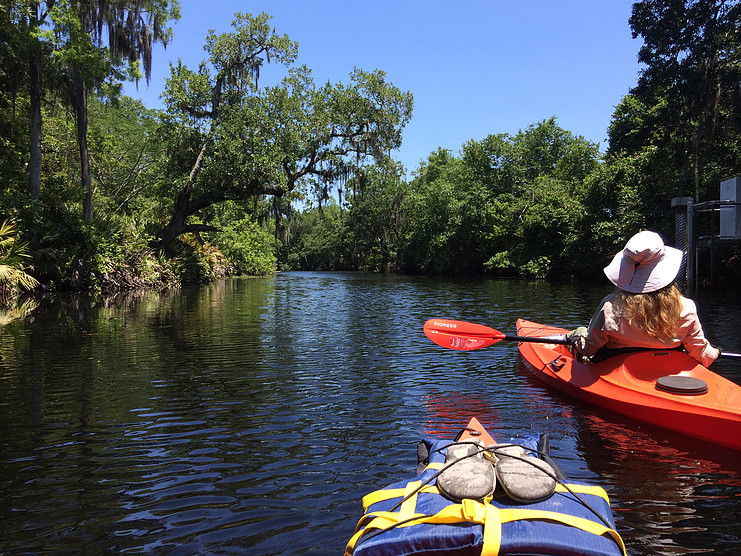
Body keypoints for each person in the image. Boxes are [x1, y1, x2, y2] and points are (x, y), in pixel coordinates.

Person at [567, 230, 720, 366]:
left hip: (615, 368)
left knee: (579, 331)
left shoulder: (611, 305)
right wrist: (715, 352)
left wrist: (576, 342)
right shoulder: (686, 307)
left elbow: (587, 349)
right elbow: (702, 355)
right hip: (665, 369)